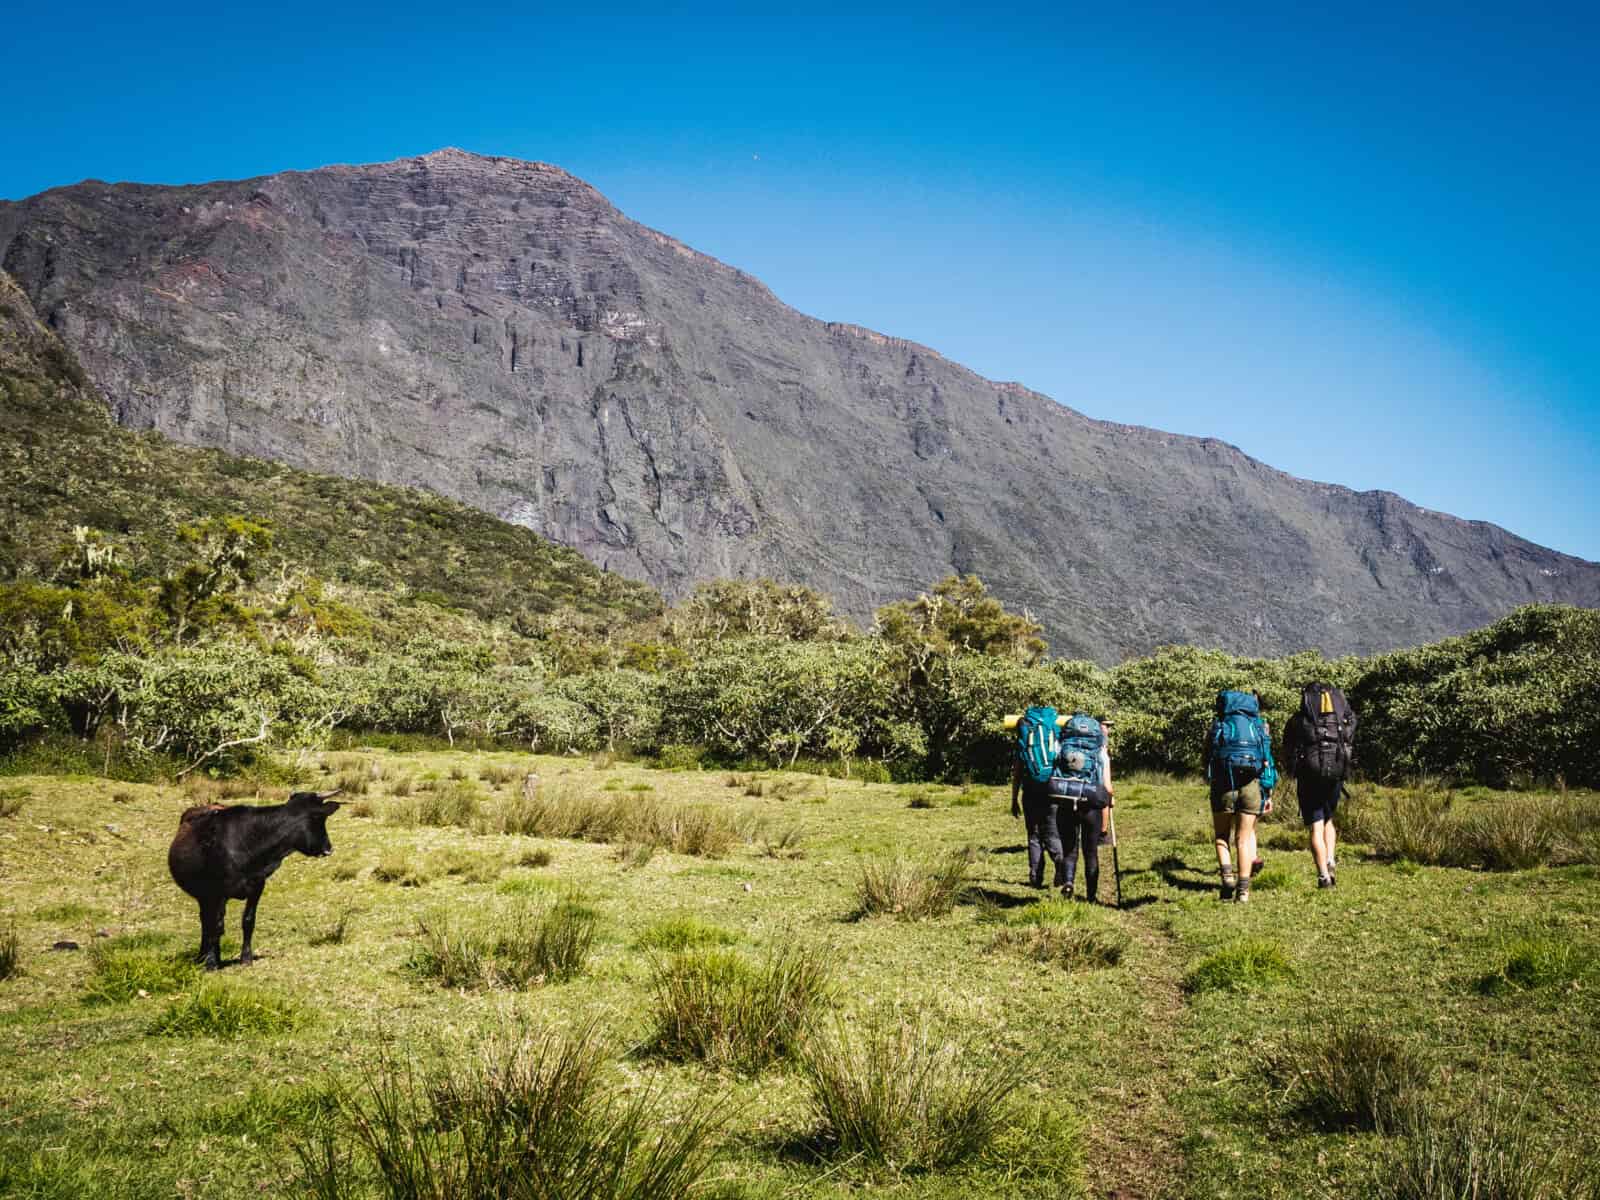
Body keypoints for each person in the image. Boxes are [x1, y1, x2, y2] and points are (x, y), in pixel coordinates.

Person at [1204, 689, 1278, 903]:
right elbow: (1267, 762)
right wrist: (1268, 793)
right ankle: (1243, 892)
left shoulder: (1218, 726)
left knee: (1221, 836)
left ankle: (1227, 876)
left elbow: (1208, 758)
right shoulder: (1259, 727)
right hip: (1251, 787)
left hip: (1223, 786)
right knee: (1243, 839)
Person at [1282, 681, 1357, 888]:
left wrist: (1291, 768)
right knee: (1328, 819)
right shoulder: (1340, 719)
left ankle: (1323, 876)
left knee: (1316, 825)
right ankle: (1331, 858)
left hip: (1310, 775)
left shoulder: (1298, 720)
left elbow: (1287, 747)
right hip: (1336, 771)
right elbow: (1351, 733)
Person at [1052, 712, 1111, 901]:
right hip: (1090, 804)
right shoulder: (1100, 751)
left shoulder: (1061, 746)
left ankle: (1068, 882)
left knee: (1069, 848)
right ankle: (1091, 897)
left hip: (1066, 798)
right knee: (1090, 851)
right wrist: (1108, 807)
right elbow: (1107, 785)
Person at [1010, 706, 1066, 889]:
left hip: (1031, 790)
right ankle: (1059, 859)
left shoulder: (1025, 737)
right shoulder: (1054, 732)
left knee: (1034, 834)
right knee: (1052, 830)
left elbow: (1017, 773)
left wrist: (1014, 799)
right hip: (1053, 788)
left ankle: (1035, 876)